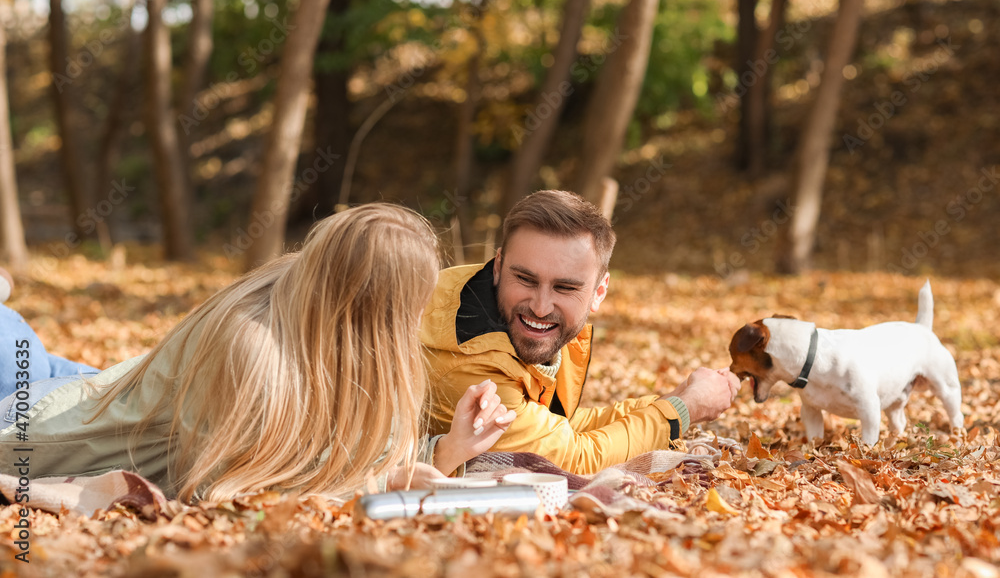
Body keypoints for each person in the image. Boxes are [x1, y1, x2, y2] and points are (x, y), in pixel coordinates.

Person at [0, 204, 514, 502]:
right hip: (33, 425)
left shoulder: (310, 305)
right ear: (378, 311)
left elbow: (335, 449)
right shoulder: (250, 349)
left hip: (102, 388)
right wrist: (390, 477)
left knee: (38, 359)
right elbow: (225, 489)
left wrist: (446, 450)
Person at [422, 190, 740, 474]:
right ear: (498, 266)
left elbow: (559, 427)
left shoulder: (499, 312)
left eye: (565, 287)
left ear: (599, 291)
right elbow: (571, 459)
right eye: (525, 279)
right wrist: (680, 412)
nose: (542, 306)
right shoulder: (468, 353)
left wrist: (671, 402)